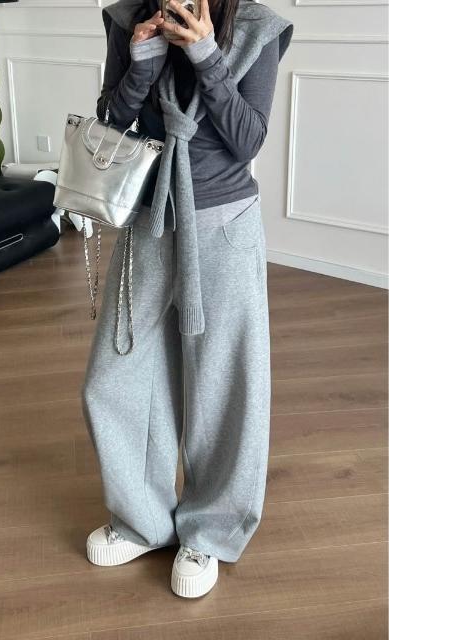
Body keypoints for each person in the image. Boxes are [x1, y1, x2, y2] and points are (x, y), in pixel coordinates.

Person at [81, 0, 293, 598]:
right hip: (148, 219)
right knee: (115, 376)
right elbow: (111, 122)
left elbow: (248, 140)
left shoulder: (256, 29)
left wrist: (206, 55)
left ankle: (210, 532)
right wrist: (141, 64)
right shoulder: (127, 19)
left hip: (224, 226)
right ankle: (142, 520)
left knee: (226, 382)